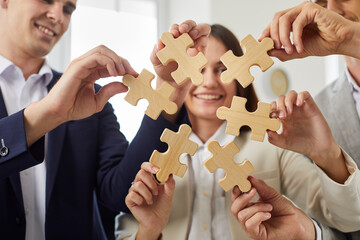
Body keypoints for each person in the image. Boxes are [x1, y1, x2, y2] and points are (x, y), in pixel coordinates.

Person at [115, 24, 360, 240]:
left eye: (221, 69)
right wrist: (148, 231)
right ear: (180, 78)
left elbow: (349, 219)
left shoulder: (274, 149)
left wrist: (327, 153)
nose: (209, 81)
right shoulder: (150, 152)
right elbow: (123, 230)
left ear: (240, 78)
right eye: (198, 70)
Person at [0, 0, 211, 239]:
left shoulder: (88, 96)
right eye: (47, 0)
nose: (58, 15)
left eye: (68, 9)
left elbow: (121, 191)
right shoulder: (71, 95)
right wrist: (48, 113)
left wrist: (169, 91)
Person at [259, 1, 360, 239]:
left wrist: (349, 36)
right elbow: (342, 229)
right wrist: (309, 232)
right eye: (323, 2)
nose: (332, 8)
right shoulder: (315, 114)